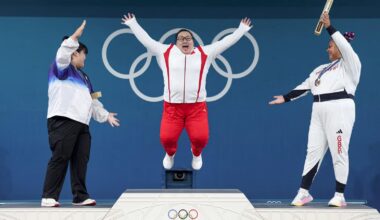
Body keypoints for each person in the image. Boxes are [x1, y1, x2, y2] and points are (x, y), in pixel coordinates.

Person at [121, 13, 252, 170]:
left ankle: (196, 154)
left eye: (188, 38)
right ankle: (170, 154)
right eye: (181, 38)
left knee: (201, 138)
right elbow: (147, 40)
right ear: (176, 42)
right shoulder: (164, 52)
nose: (185, 40)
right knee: (166, 139)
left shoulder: (205, 53)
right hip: (172, 107)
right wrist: (133, 23)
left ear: (193, 42)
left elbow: (225, 42)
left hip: (196, 108)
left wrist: (241, 30)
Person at [269, 12, 361, 207]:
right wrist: (285, 98)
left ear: (340, 46)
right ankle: (303, 193)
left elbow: (345, 46)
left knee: (339, 151)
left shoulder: (351, 64)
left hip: (340, 108)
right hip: (318, 110)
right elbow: (305, 86)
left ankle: (339, 195)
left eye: (330, 45)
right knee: (313, 152)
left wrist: (329, 27)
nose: (327, 49)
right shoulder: (320, 69)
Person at [41, 20, 120, 207]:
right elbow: (62, 55)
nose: (85, 59)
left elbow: (93, 101)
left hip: (82, 124)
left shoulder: (84, 77)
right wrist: (73, 38)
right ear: (75, 52)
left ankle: (80, 196)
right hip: (63, 120)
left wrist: (105, 115)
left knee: (80, 161)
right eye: (84, 55)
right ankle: (49, 196)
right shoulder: (61, 68)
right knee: (60, 157)